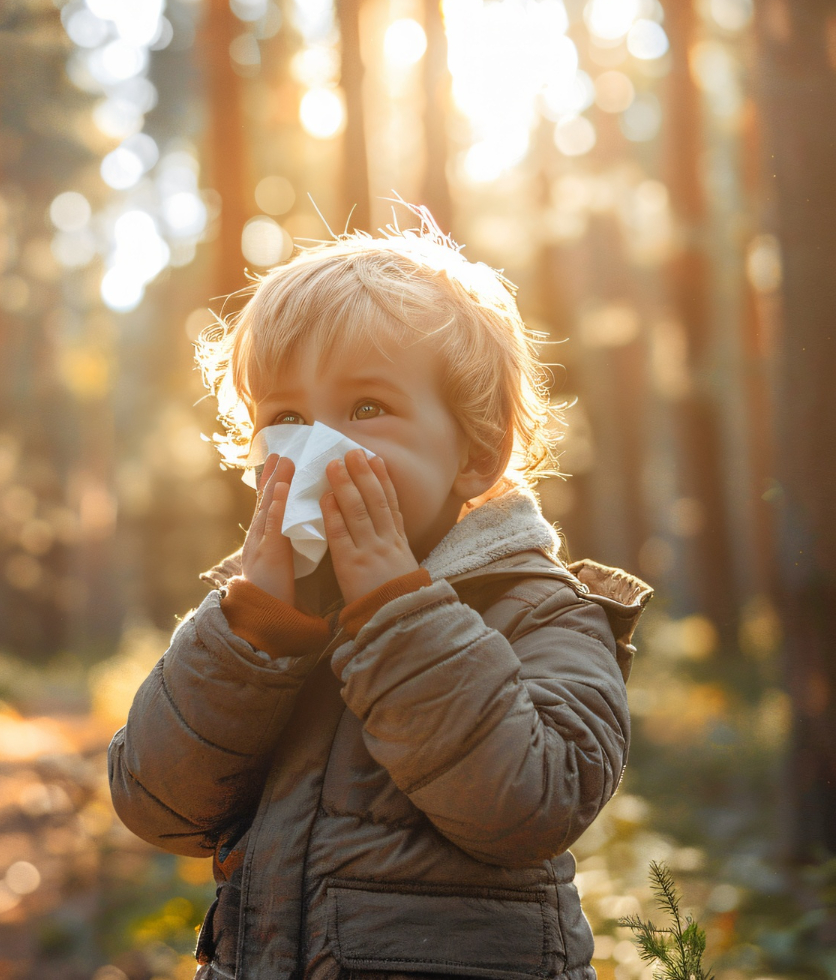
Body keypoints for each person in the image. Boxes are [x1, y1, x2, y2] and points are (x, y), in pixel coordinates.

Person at [107, 222, 653, 980]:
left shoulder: (543, 609)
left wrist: (399, 610)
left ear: (475, 452)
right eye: (286, 419)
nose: (319, 448)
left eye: (366, 408)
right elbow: (158, 807)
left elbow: (533, 806)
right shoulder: (263, 616)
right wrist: (252, 630)